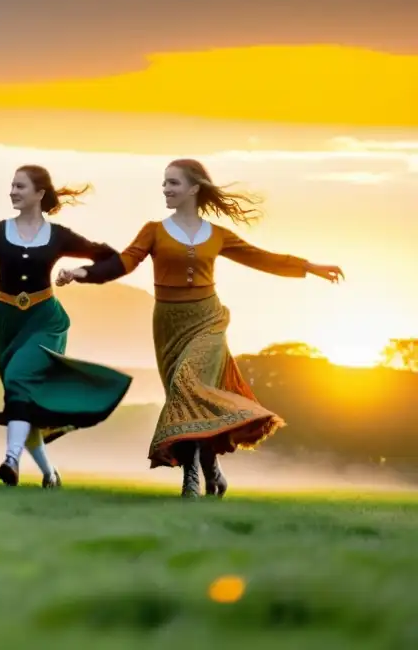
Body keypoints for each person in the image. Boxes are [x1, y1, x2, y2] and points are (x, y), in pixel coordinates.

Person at [59, 158, 343, 497]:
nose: (166, 188)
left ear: (194, 188)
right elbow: (124, 262)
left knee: (186, 385)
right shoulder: (154, 230)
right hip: (168, 324)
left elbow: (260, 257)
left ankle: (190, 476)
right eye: (164, 183)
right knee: (187, 401)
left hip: (208, 320)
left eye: (173, 183)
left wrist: (309, 266)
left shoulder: (217, 235)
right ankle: (213, 472)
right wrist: (83, 273)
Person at [0, 165, 133, 488]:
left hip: (45, 320)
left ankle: (10, 460)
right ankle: (50, 475)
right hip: (8, 321)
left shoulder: (59, 235)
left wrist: (79, 272)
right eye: (11, 185)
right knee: (21, 398)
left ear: (39, 193)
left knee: (17, 378)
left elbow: (108, 257)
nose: (12, 191)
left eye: (20, 186)